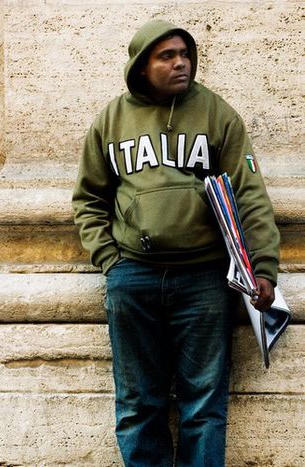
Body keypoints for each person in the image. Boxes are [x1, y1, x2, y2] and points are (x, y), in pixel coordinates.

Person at [72, 19, 279, 467]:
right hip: (133, 277)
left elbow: (250, 195)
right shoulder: (111, 119)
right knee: (137, 404)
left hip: (205, 279)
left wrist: (263, 268)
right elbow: (89, 198)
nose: (180, 62)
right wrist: (110, 261)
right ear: (142, 65)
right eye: (166, 56)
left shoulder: (216, 114)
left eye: (184, 54)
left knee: (203, 406)